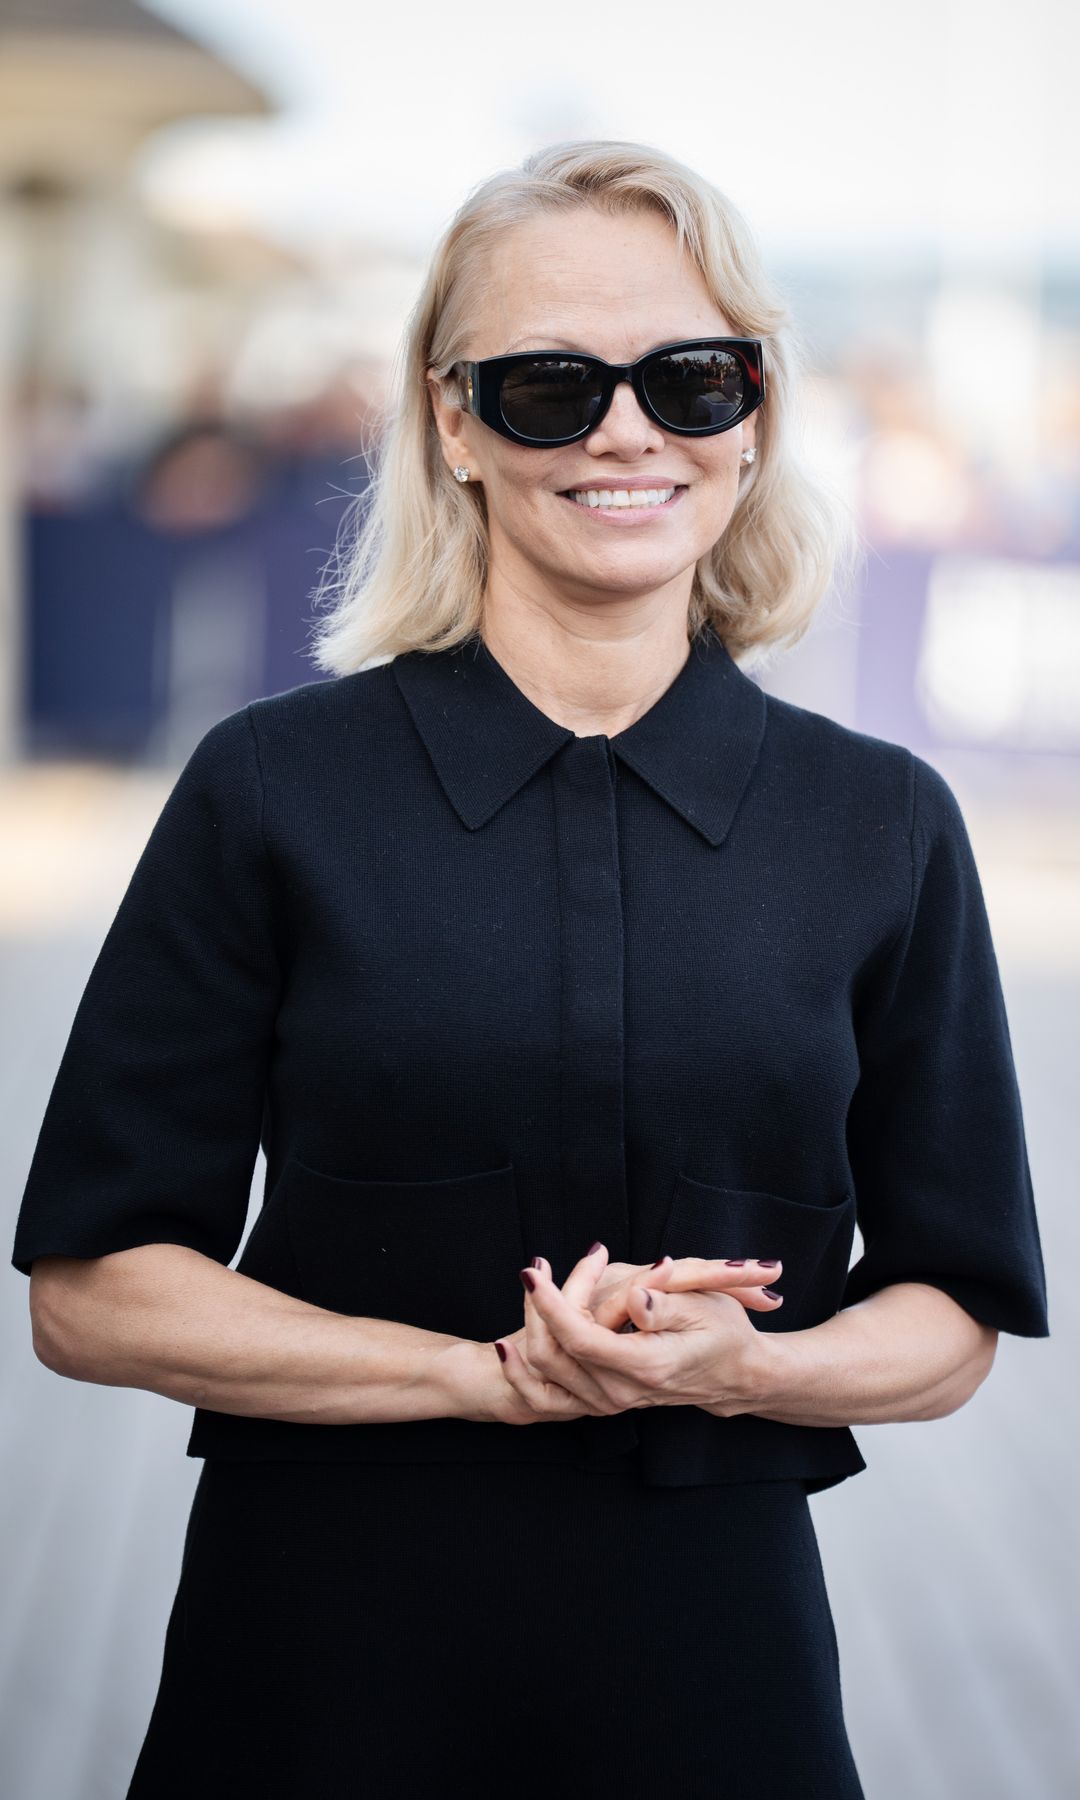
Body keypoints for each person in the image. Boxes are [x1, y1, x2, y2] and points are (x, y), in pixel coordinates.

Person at [12, 139, 1050, 1800]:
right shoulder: (271, 790)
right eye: (551, 385)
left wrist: (755, 1372)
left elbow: (954, 1310)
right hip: (315, 1673)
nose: (628, 431)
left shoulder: (885, 826)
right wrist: (474, 1380)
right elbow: (92, 1286)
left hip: (720, 1690)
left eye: (690, 380)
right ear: (452, 420)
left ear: (757, 413)